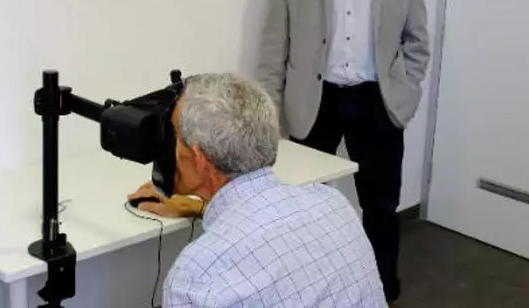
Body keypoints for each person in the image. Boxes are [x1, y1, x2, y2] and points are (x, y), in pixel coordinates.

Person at [255, 0, 430, 303]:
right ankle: (301, 293)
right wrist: (271, 113)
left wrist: (404, 97)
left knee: (380, 206)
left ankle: (380, 291)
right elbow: (274, 43)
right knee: (299, 204)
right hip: (312, 101)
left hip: (377, 101)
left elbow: (417, 40)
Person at [128, 72, 387, 307]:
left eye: (174, 135)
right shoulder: (334, 204)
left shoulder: (197, 275)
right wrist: (201, 207)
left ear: (200, 160)